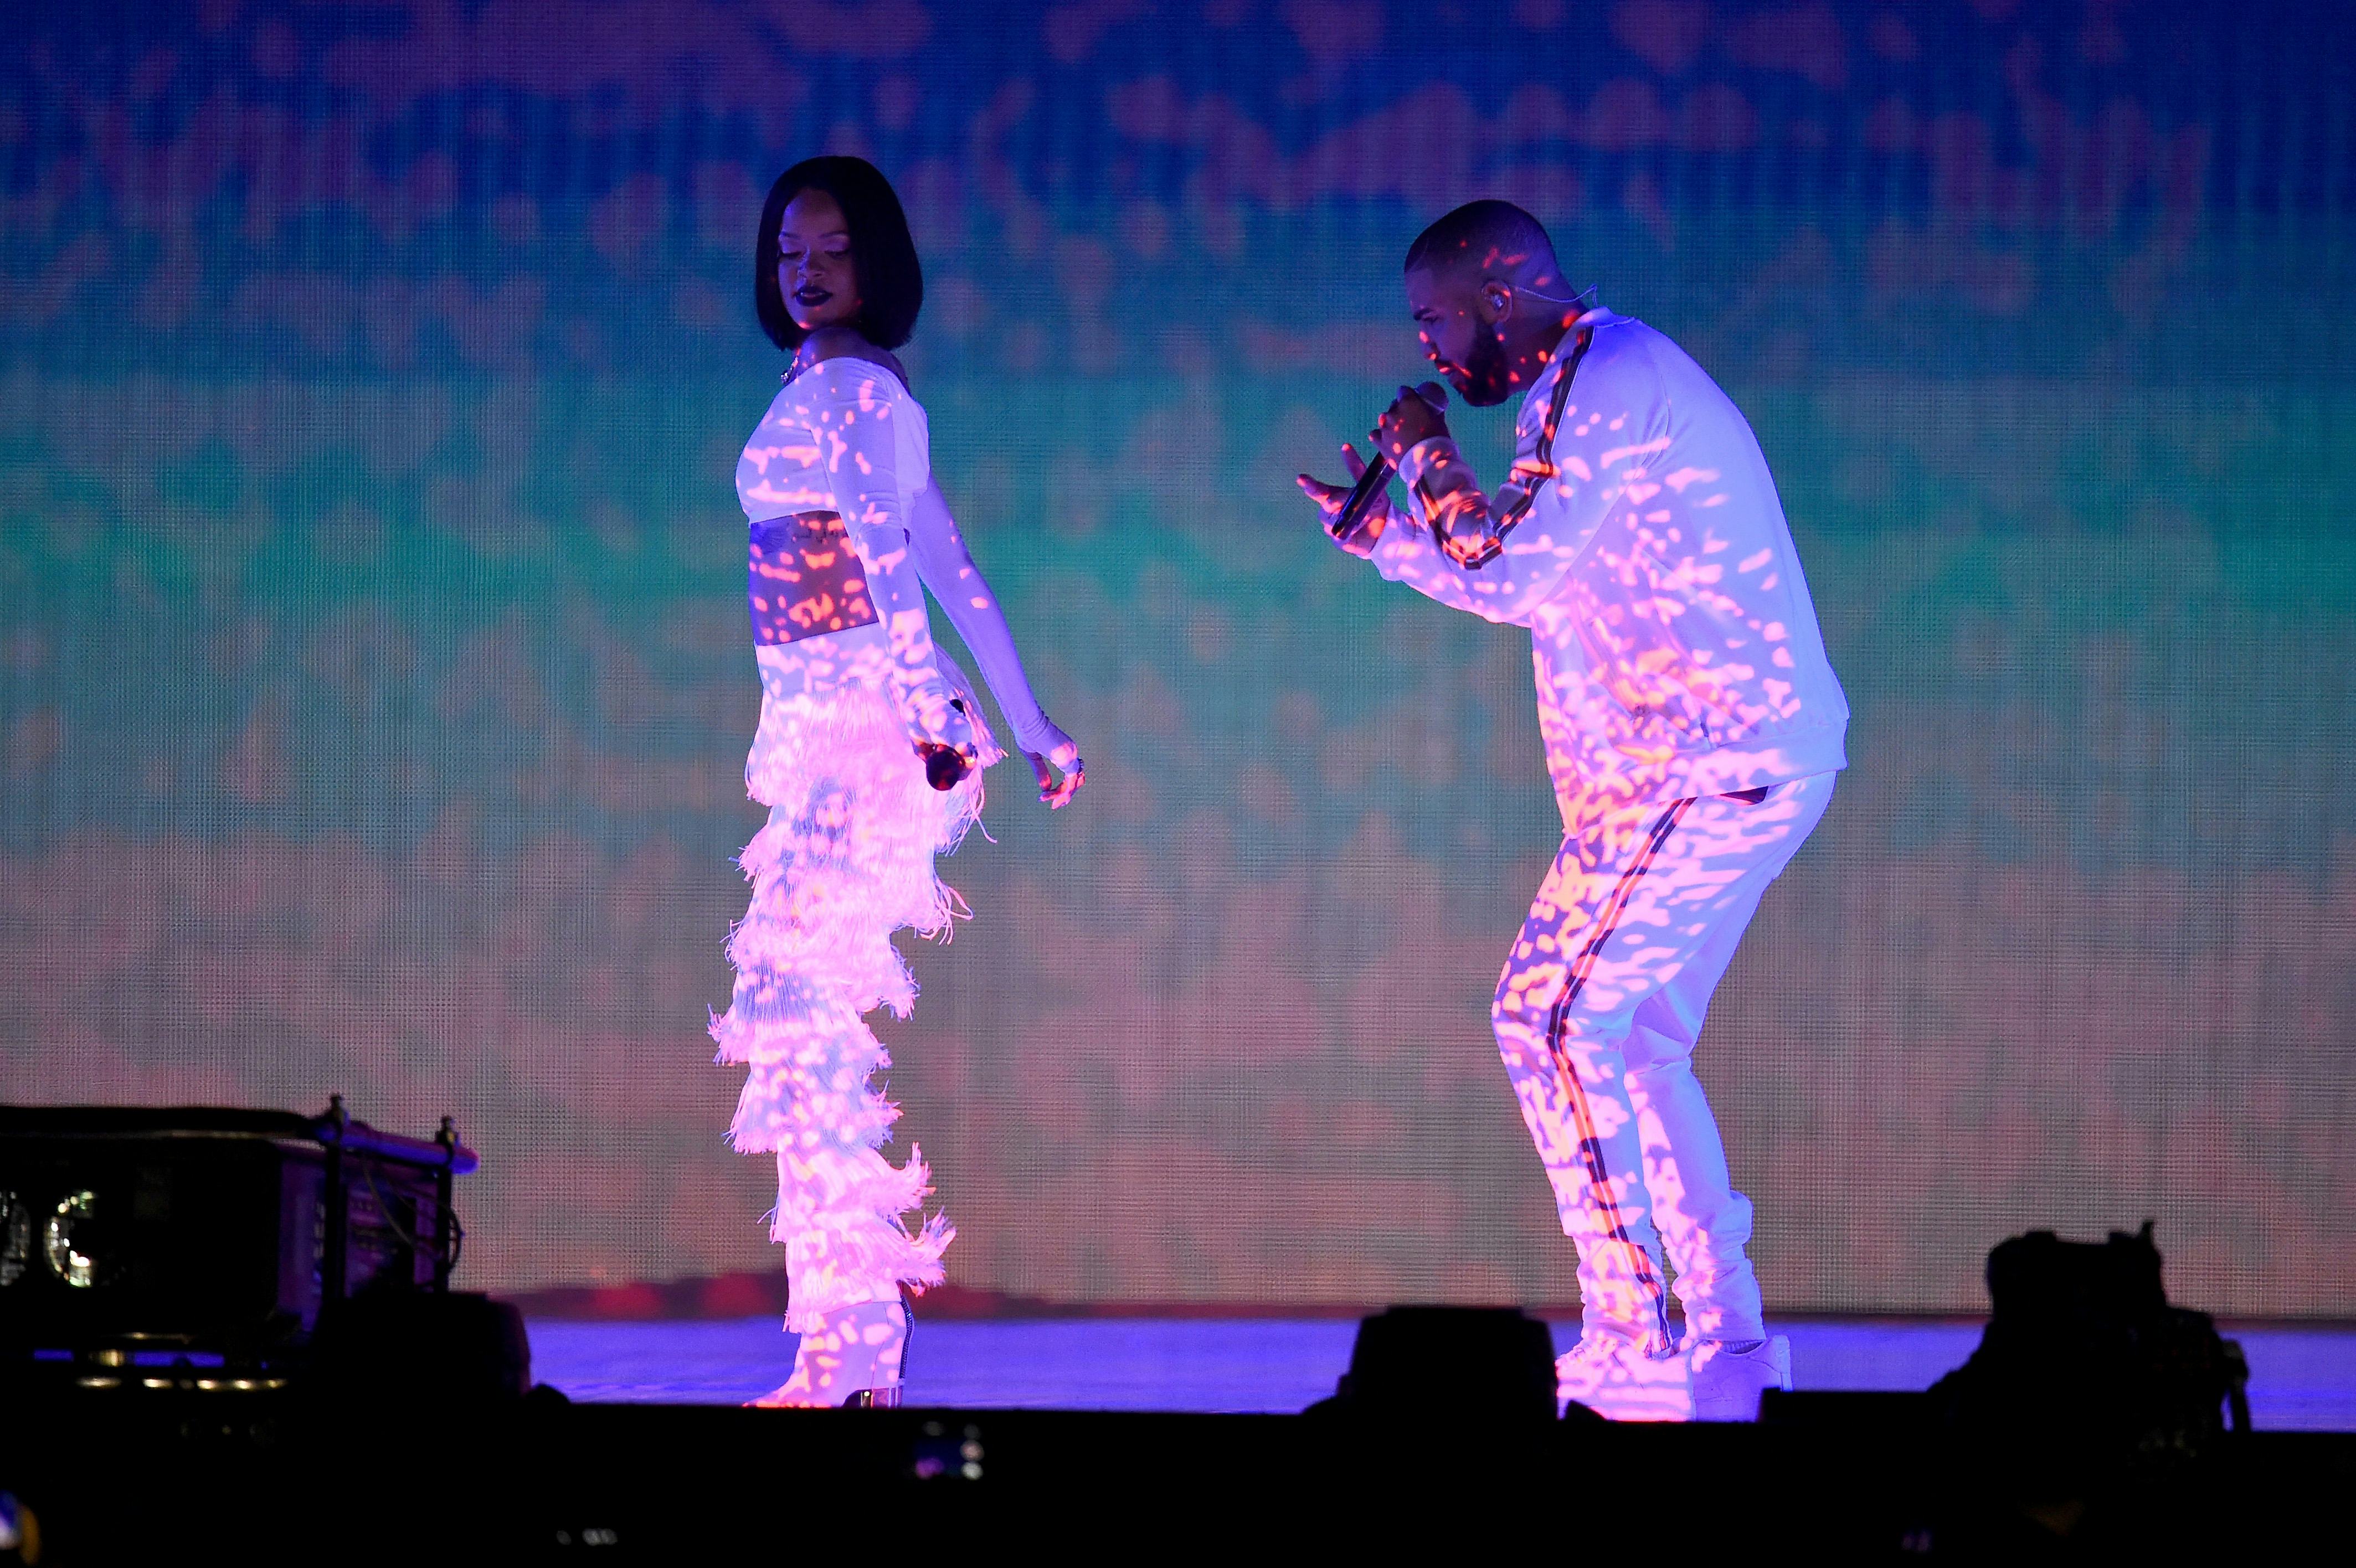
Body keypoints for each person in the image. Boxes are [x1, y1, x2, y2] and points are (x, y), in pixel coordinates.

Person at [1297, 200, 1849, 1421]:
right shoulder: (1586, 385)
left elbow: (1511, 565)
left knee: (1544, 1017)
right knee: (1631, 1042)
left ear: (1496, 300)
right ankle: (1729, 1341)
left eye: (1435, 323)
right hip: (1726, 766)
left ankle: (1634, 1333)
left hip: (1701, 769)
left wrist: (1427, 455)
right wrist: (1392, 540)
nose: (1429, 351)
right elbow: (1533, 581)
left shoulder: (1607, 375)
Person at [712, 155, 1084, 1407]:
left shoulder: (857, 389)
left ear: (877, 260)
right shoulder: (838, 385)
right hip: (833, 727)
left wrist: (936, 716)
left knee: (790, 1005)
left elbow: (892, 560)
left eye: (832, 251)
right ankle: (848, 1335)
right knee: (796, 1013)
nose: (806, 274)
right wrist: (1034, 728)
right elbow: (955, 565)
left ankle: (853, 1334)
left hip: (875, 729)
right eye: (788, 254)